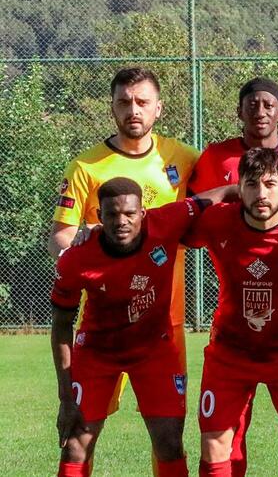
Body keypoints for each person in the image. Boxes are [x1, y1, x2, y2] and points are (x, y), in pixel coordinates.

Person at [188, 77, 278, 476]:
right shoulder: (215, 158)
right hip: (234, 328)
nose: (260, 111)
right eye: (252, 104)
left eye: (269, 105)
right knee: (223, 439)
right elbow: (190, 214)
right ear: (239, 111)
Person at [50, 177, 234, 477]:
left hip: (154, 351)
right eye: (112, 214)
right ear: (99, 216)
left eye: (129, 213)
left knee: (169, 443)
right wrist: (65, 397)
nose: (121, 221)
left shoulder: (166, 221)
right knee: (76, 444)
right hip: (97, 353)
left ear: (143, 213)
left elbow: (222, 192)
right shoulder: (77, 259)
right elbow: (60, 325)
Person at [48, 68, 200, 428]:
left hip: (165, 321)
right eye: (124, 102)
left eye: (142, 102)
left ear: (158, 108)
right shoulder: (85, 167)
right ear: (112, 107)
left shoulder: (184, 158)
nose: (133, 110)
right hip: (104, 323)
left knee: (168, 431)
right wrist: (82, 248)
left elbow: (237, 174)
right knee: (83, 426)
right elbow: (59, 237)